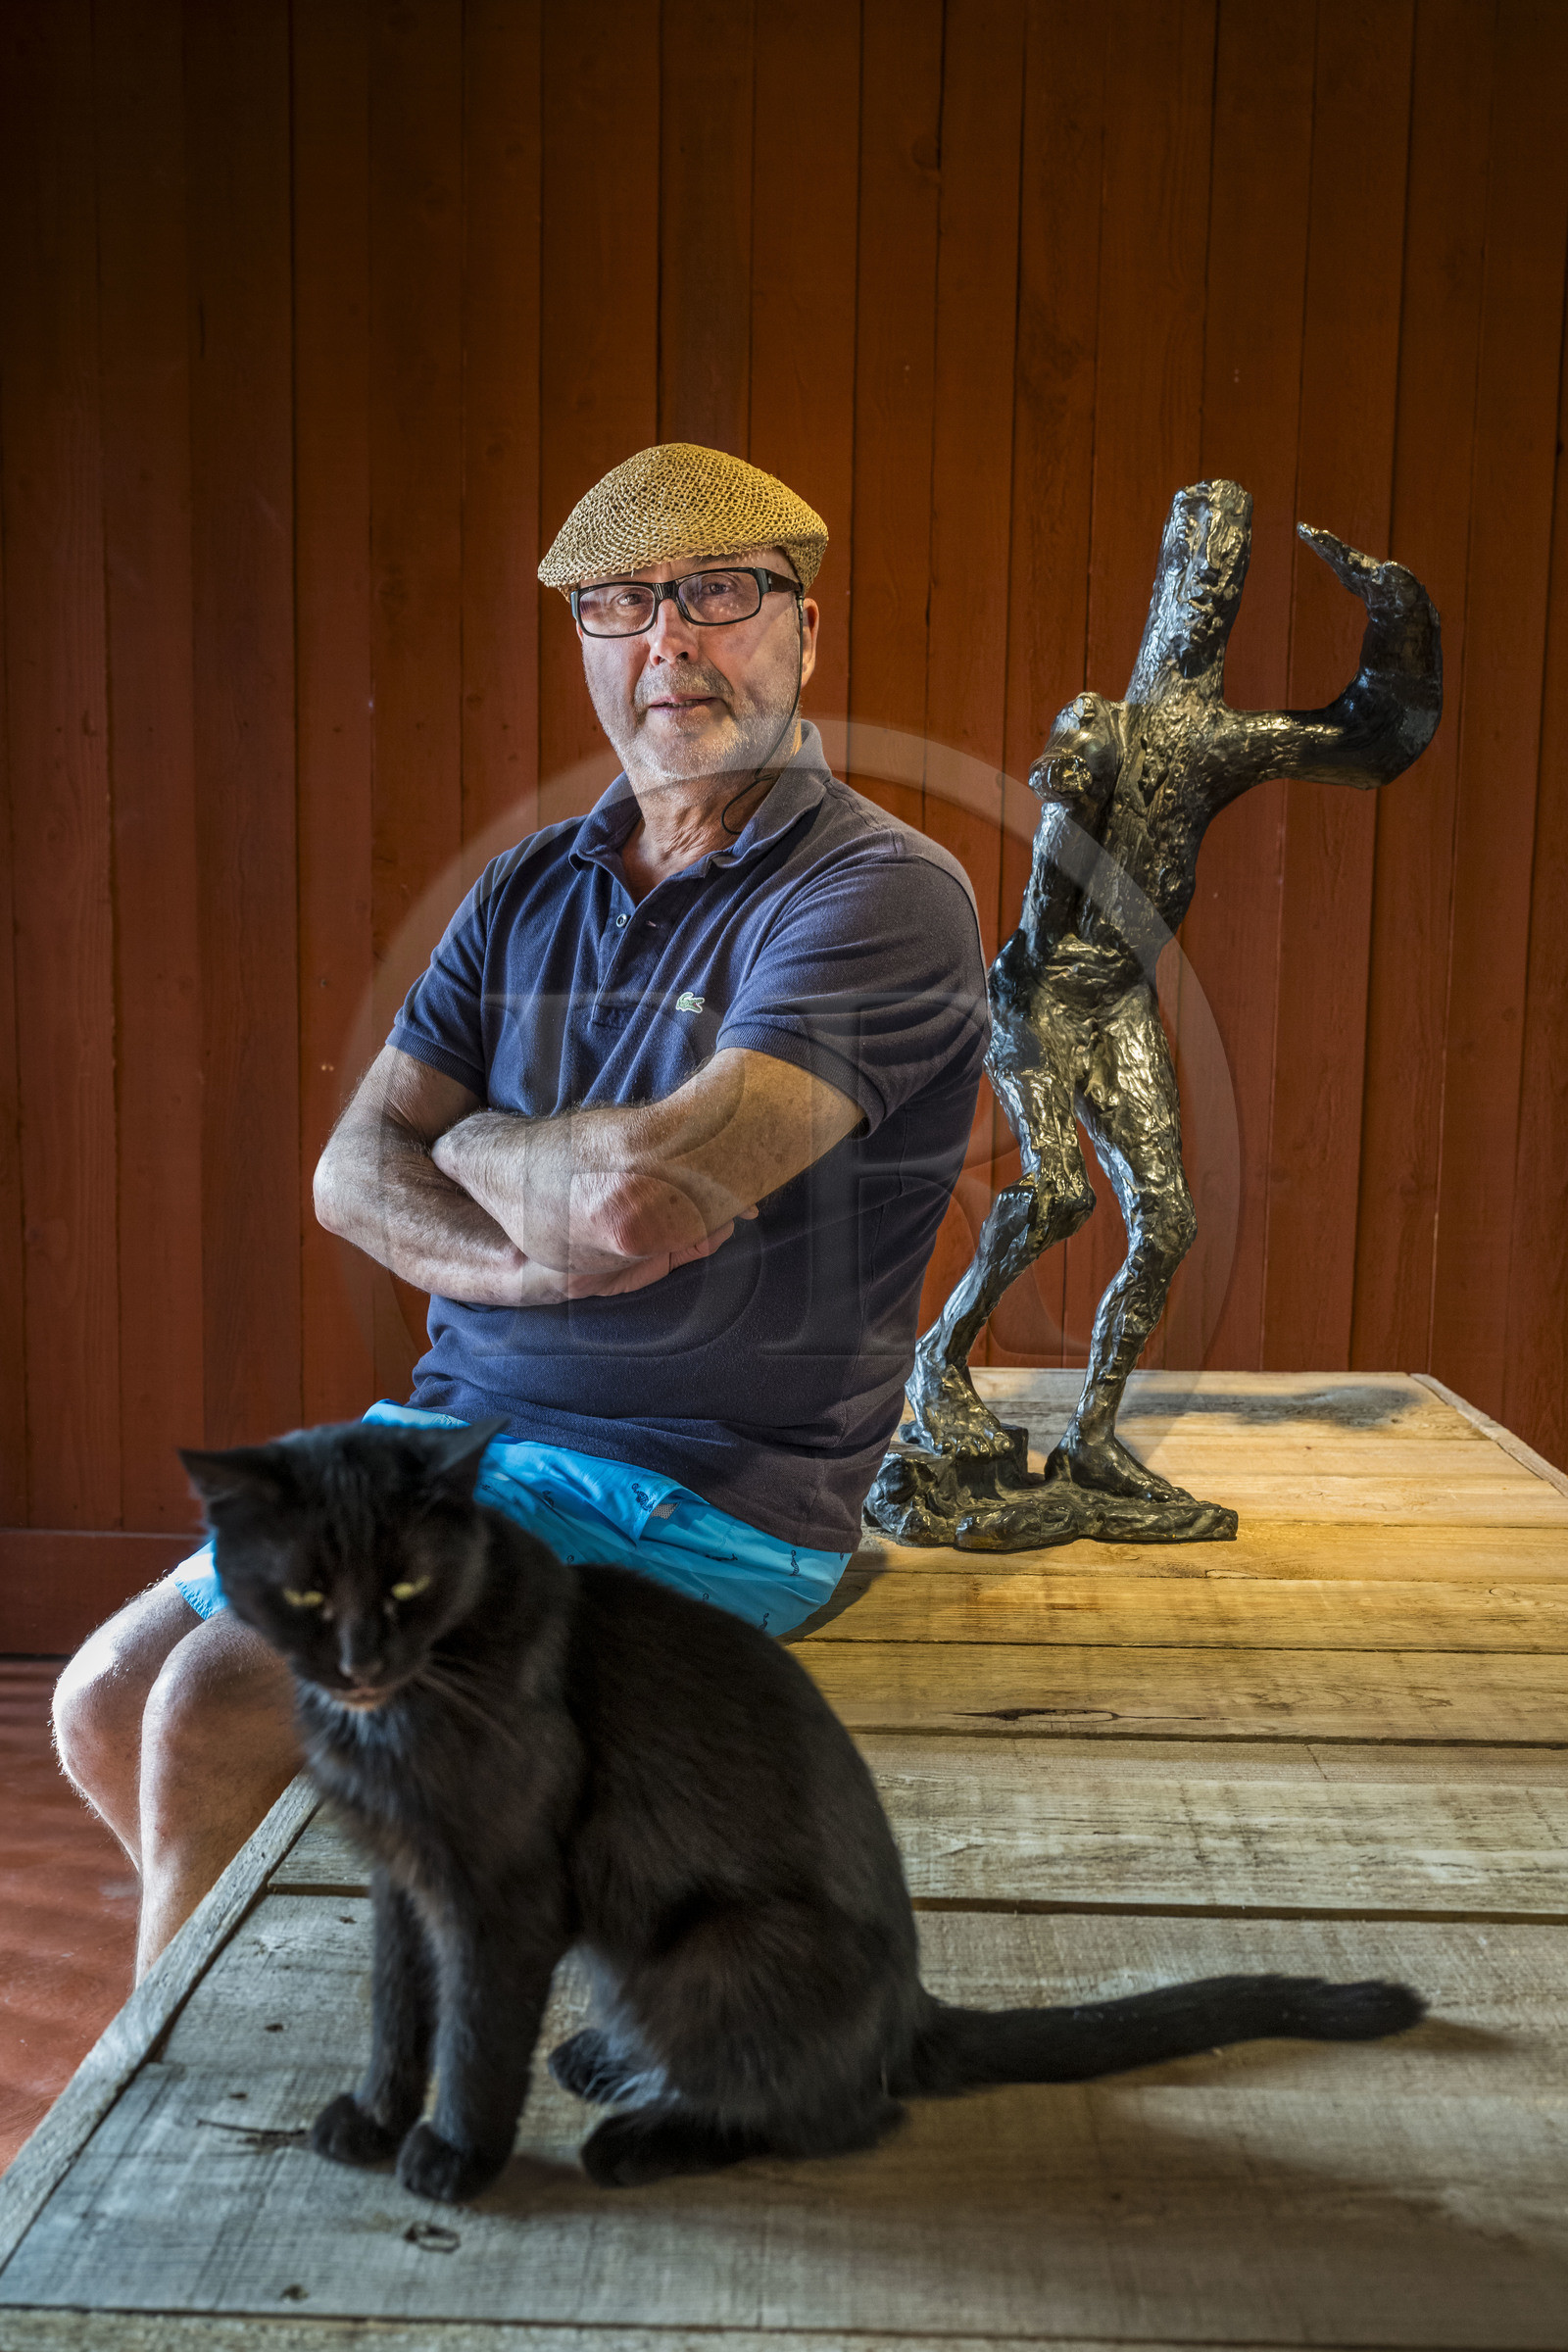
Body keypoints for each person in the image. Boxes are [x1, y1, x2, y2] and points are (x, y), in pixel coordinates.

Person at [53, 441, 990, 1977]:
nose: (667, 642)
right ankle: (310, 2007)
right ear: (588, 648)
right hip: (452, 1455)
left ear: (806, 631)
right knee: (100, 1702)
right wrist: (535, 1242)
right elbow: (348, 1172)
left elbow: (642, 1200)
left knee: (221, 1695)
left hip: (713, 1497)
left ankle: (154, 2115)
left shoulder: (877, 892)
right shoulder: (526, 889)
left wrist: (474, 1138)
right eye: (621, 606)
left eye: (717, 594)